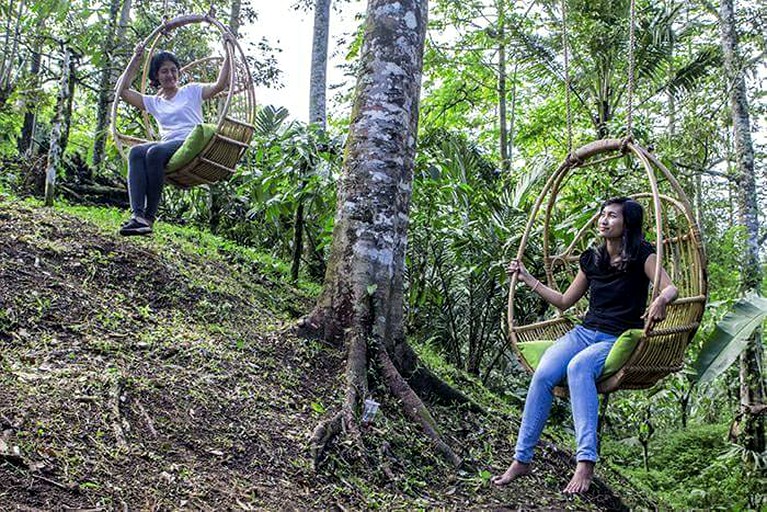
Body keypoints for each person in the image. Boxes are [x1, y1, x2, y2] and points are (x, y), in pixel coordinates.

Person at [492, 197, 678, 494]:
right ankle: (521, 459)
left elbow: (670, 286)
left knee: (579, 368)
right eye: (602, 215)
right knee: (543, 375)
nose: (603, 220)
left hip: (615, 338)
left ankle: (585, 462)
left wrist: (660, 300)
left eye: (612, 216)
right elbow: (565, 302)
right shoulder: (592, 259)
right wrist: (528, 278)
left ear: (627, 223)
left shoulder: (643, 255)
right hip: (584, 333)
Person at [116, 38, 232, 236]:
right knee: (136, 152)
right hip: (168, 144)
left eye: (173, 70)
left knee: (154, 152)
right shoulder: (155, 102)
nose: (170, 75)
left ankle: (149, 218)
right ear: (156, 76)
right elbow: (122, 91)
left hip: (190, 141)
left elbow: (220, 85)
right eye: (164, 71)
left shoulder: (191, 91)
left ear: (178, 72)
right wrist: (136, 60)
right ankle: (138, 216)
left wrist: (228, 52)